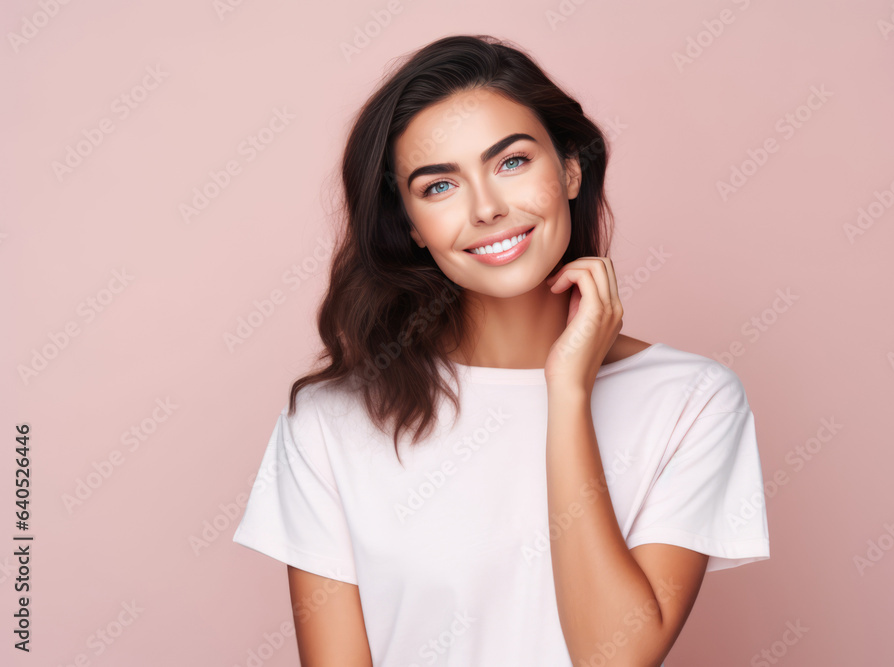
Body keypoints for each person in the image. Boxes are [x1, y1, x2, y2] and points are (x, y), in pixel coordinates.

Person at [232, 34, 770, 666]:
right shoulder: (331, 422)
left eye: (511, 162)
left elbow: (613, 658)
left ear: (570, 168)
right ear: (409, 223)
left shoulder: (692, 401)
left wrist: (568, 392)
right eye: (439, 186)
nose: (487, 208)